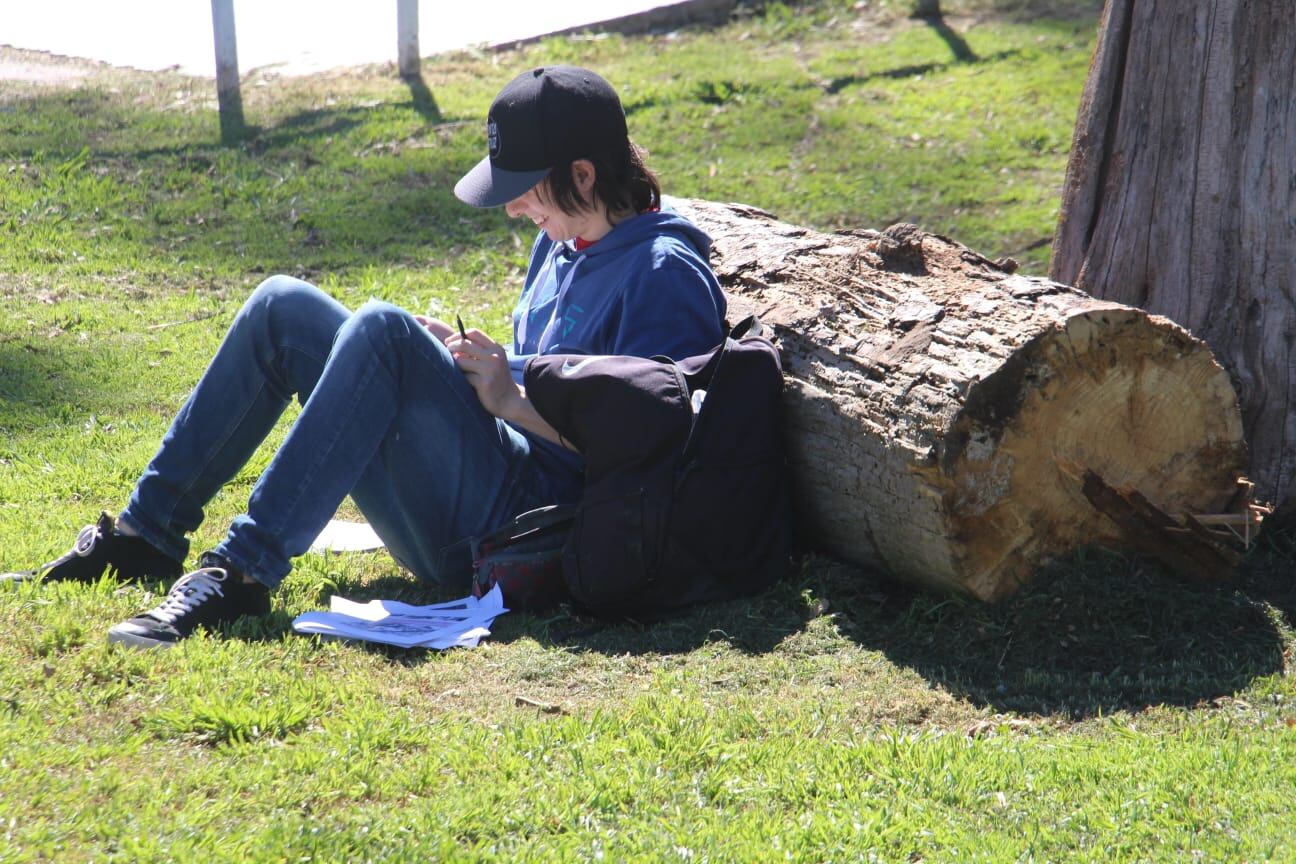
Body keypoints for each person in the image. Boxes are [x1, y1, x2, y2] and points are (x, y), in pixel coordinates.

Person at [1, 66, 727, 648]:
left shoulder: (664, 273)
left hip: (521, 529)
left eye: (522, 190)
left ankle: (243, 573)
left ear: (584, 174)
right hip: (485, 470)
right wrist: (462, 365)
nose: (511, 210)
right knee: (284, 304)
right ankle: (144, 537)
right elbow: (553, 372)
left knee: (379, 329)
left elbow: (658, 460)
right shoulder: (562, 240)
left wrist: (508, 399)